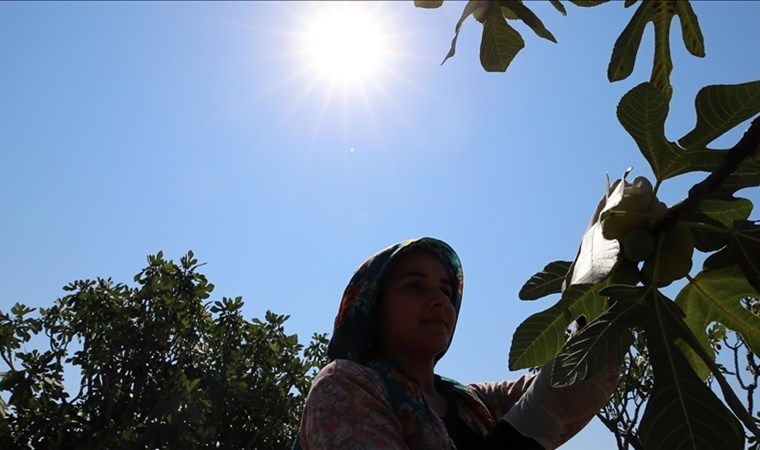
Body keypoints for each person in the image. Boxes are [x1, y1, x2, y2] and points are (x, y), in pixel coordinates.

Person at [294, 237, 619, 449]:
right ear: (372, 305)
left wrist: (601, 260)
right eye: (414, 287)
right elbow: (544, 405)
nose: (439, 300)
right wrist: (536, 419)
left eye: (447, 291)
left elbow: (565, 382)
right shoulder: (344, 386)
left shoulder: (473, 403)